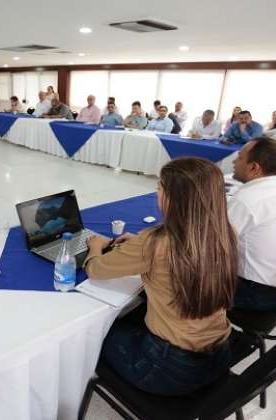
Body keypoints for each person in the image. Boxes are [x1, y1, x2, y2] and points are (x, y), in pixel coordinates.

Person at [84, 157, 237, 396]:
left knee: (93, 335)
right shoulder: (224, 232)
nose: (157, 195)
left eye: (159, 189)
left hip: (168, 368)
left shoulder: (155, 242)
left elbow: (95, 269)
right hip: (220, 354)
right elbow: (185, 251)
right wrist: (140, 245)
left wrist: (95, 245)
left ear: (172, 198)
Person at [229, 137, 276, 311]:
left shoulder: (246, 200)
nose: (234, 161)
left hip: (256, 294)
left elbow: (211, 247)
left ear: (254, 167)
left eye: (239, 157)